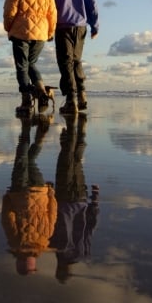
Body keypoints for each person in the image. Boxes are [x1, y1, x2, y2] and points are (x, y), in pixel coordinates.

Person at [1, 114, 57, 275]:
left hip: (40, 190)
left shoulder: (45, 241)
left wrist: (50, 193)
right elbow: (8, 217)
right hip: (19, 193)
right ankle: (26, 126)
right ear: (19, 259)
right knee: (21, 158)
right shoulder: (16, 242)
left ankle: (40, 139)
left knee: (30, 161)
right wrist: (7, 198)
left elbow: (52, 215)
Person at [48, 0, 99, 115]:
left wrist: (48, 29)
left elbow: (49, 7)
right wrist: (95, 25)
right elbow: (91, 2)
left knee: (66, 63)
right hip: (81, 26)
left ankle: (71, 100)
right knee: (76, 61)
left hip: (63, 26)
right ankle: (82, 95)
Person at [3, 0, 57, 115]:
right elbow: (52, 12)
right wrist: (50, 32)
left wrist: (8, 27)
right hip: (40, 33)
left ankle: (26, 101)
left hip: (20, 31)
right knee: (31, 63)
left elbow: (9, 10)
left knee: (22, 65)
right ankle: (40, 89)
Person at [49, 113, 99, 283]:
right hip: (64, 198)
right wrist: (49, 194)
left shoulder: (83, 252)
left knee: (76, 161)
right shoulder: (55, 247)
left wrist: (95, 200)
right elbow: (50, 221)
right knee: (67, 158)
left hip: (81, 197)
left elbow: (91, 227)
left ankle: (81, 128)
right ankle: (72, 123)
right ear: (58, 268)